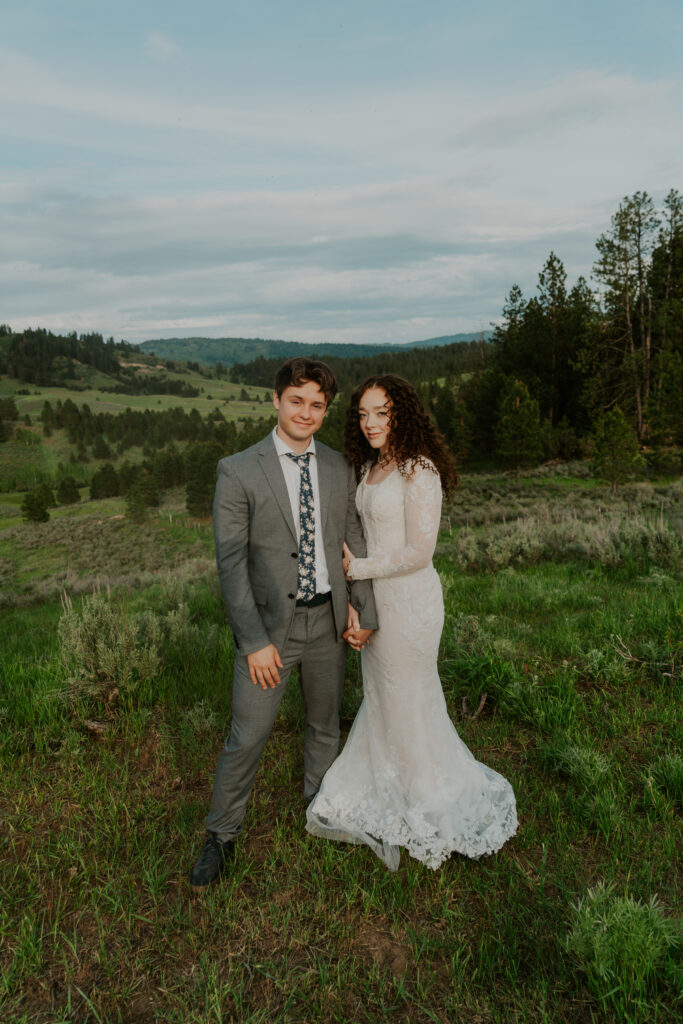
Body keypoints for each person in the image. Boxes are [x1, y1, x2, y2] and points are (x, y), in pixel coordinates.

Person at [306, 374, 517, 870]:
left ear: (402, 412)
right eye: (362, 414)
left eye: (381, 412)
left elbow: (420, 553)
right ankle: (394, 781)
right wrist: (357, 597)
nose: (371, 422)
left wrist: (358, 568)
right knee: (385, 697)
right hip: (377, 599)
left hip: (411, 602)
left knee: (409, 695)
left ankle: (428, 800)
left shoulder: (419, 470)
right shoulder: (373, 465)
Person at [189, 358, 377, 891]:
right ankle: (221, 836)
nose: (307, 413)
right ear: (276, 400)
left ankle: (321, 807)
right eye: (297, 401)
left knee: (325, 724)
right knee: (247, 736)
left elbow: (353, 544)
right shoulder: (239, 469)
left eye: (318, 404)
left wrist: (362, 609)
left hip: (329, 623)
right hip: (270, 632)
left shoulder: (340, 468)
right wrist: (253, 643)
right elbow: (230, 565)